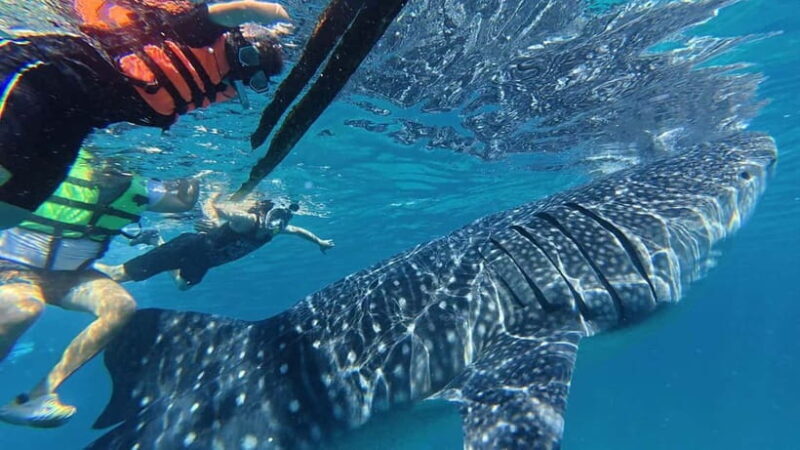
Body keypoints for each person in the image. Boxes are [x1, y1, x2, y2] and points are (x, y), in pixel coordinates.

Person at [0, 0, 291, 229]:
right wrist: (278, 14)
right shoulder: (197, 35)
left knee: (16, 209)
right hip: (46, 73)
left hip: (73, 123)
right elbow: (241, 10)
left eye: (256, 79)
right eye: (249, 57)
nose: (244, 70)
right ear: (239, 41)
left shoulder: (214, 89)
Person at [0, 148, 202, 428]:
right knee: (24, 310)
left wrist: (192, 165)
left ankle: (39, 394)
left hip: (72, 277)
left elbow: (183, 202)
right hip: (11, 267)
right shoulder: (55, 165)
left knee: (121, 306)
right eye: (108, 163)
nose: (113, 171)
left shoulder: (141, 188)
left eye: (123, 166)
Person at [96, 194, 335, 290]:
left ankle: (155, 238)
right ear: (265, 214)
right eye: (275, 219)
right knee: (120, 275)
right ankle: (80, 270)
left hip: (204, 261)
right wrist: (214, 207)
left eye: (282, 222)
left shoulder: (272, 232)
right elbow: (222, 209)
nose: (276, 225)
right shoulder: (249, 220)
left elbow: (298, 231)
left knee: (182, 286)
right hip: (189, 246)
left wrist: (320, 242)